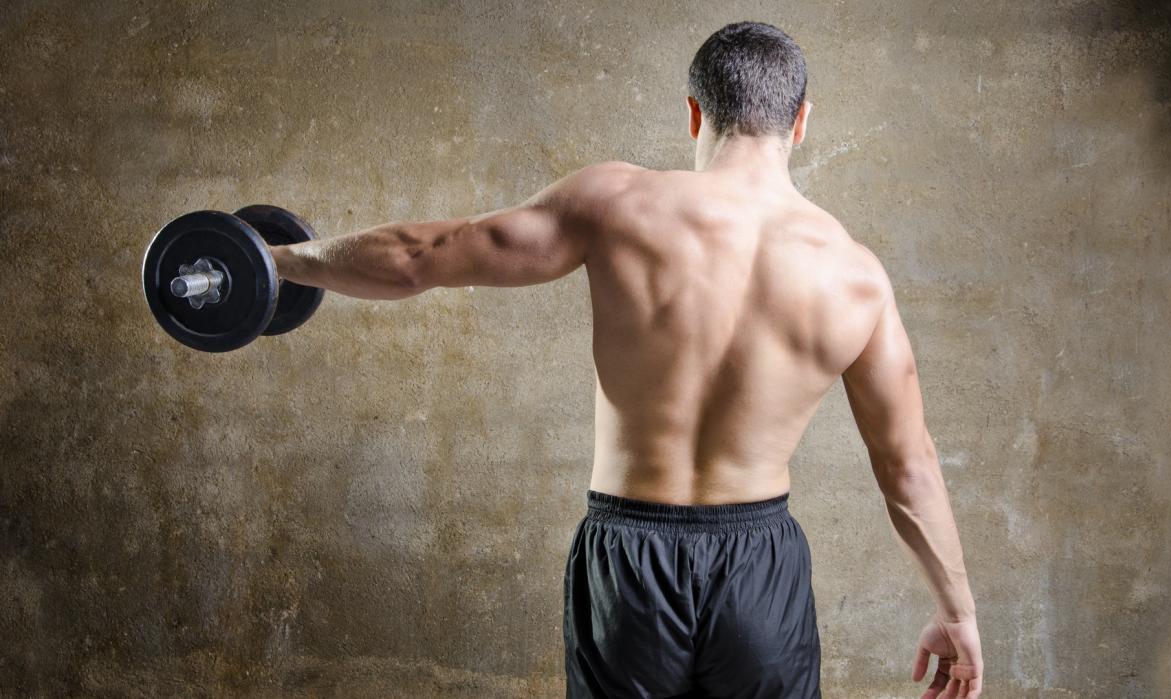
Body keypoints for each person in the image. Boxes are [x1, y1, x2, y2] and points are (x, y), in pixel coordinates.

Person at [269, 20, 982, 699]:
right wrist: (958, 614)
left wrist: (271, 263)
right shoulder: (855, 276)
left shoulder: (618, 204)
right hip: (761, 569)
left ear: (695, 113)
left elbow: (419, 258)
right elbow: (908, 466)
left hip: (629, 561)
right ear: (801, 123)